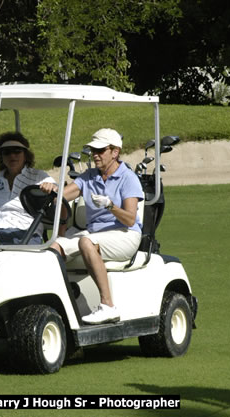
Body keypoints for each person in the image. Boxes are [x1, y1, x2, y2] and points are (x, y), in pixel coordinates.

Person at [40, 128, 144, 324]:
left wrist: (111, 206)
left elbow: (130, 219)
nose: (95, 155)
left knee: (86, 242)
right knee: (54, 248)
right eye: (93, 151)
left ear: (115, 152)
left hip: (125, 234)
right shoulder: (89, 176)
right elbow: (63, 195)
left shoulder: (128, 178)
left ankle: (108, 306)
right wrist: (53, 190)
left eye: (100, 150)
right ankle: (56, 304)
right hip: (96, 233)